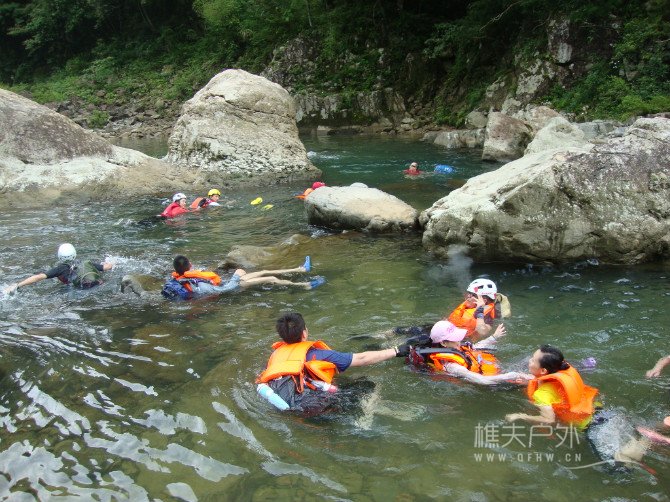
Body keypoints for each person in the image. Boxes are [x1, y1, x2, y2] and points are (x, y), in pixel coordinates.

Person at [255, 312, 410, 412]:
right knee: (369, 384)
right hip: (313, 406)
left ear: (282, 336)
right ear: (304, 333)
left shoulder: (275, 355)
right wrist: (396, 351)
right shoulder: (319, 354)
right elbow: (361, 359)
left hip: (280, 404)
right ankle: (364, 420)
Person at [405, 320, 531, 386]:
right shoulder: (452, 366)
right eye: (455, 338)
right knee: (531, 377)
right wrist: (510, 376)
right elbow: (482, 381)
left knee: (530, 361)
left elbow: (474, 348)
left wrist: (494, 337)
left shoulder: (454, 347)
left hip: (496, 372)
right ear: (443, 343)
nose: (459, 340)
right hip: (494, 384)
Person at [161, 255, 325, 300]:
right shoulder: (196, 285)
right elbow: (222, 291)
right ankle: (305, 286)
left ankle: (301, 269)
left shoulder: (183, 278)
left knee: (263, 271)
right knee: (271, 279)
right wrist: (237, 280)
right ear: (189, 265)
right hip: (231, 288)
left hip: (227, 284)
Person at [3, 243, 114, 294]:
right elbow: (108, 267)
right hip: (100, 285)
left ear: (59, 256)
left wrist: (18, 285)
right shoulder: (86, 262)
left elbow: (38, 277)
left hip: (80, 291)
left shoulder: (60, 269)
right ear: (75, 253)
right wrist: (110, 261)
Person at [446, 278, 510, 338]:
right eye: (469, 293)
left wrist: (480, 311)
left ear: (483, 301)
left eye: (472, 295)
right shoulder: (468, 306)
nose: (468, 296)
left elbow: (482, 332)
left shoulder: (487, 316)